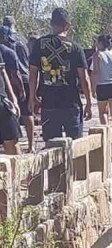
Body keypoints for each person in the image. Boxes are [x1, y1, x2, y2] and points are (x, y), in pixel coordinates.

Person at [29, 7, 93, 141]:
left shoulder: (39, 44)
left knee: (51, 146)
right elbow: (84, 78)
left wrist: (32, 96)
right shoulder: (75, 47)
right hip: (71, 103)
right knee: (75, 146)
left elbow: (33, 74)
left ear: (51, 23)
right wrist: (88, 101)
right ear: (68, 25)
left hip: (49, 103)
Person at [2, 19, 34, 152]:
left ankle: (28, 144)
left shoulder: (8, 49)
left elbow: (16, 73)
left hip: (17, 80)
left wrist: (20, 90)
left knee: (24, 113)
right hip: (20, 79)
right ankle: (29, 145)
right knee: (26, 113)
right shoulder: (21, 40)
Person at [91, 35, 112, 125]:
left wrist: (93, 88)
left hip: (102, 85)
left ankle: (106, 134)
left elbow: (95, 71)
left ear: (100, 43)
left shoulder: (97, 55)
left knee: (103, 112)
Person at [0, 49, 22, 154]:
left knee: (12, 142)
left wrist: (13, 98)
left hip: (2, 101)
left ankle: (20, 170)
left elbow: (2, 71)